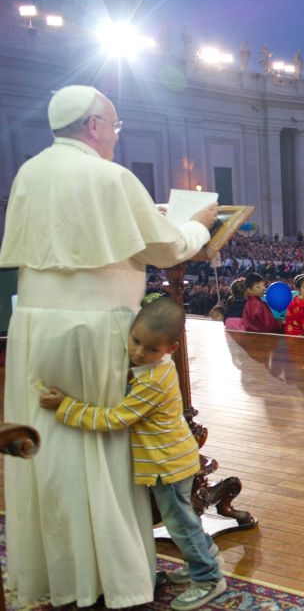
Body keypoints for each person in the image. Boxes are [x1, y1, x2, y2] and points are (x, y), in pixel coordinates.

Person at [0, 85, 216, 608]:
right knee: (100, 448)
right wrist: (197, 224)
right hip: (95, 329)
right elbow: (166, 246)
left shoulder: (29, 171)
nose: (115, 137)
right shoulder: (111, 176)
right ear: (94, 124)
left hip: (34, 326)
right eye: (114, 127)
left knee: (51, 452)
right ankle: (116, 577)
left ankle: (65, 573)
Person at [37, 299, 227, 610]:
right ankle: (205, 558)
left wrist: (66, 406)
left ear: (171, 348)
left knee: (179, 523)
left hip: (167, 464)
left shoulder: (152, 380)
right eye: (135, 341)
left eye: (150, 349)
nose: (139, 352)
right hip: (171, 458)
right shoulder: (152, 368)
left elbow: (115, 419)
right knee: (184, 519)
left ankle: (208, 578)